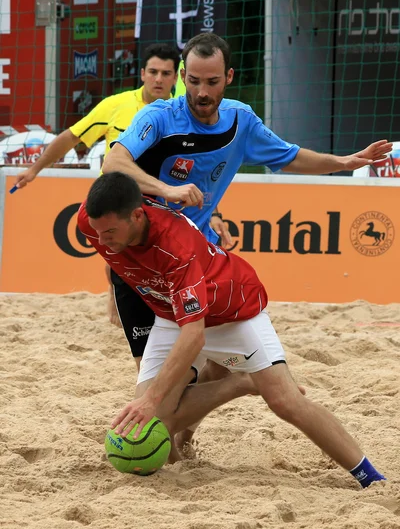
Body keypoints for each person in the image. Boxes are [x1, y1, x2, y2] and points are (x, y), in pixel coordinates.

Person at [78, 172, 386, 489]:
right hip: (172, 315)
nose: (102, 240)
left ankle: (369, 476)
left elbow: (194, 335)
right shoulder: (93, 221)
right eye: (98, 232)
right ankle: (240, 382)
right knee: (152, 423)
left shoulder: (176, 247)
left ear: (137, 215)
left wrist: (151, 399)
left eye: (111, 232)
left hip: (232, 311)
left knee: (285, 401)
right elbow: (117, 167)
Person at [101, 32, 392, 363]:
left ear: (228, 77)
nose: (201, 92)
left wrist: (345, 162)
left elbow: (290, 156)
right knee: (156, 376)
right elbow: (113, 162)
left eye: (212, 82)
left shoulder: (241, 121)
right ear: (183, 77)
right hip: (143, 259)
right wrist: (166, 189)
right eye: (194, 81)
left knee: (215, 367)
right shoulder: (159, 116)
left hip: (196, 256)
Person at [14, 43, 182, 325]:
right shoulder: (116, 105)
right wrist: (34, 170)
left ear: (175, 77)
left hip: (163, 196)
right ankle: (115, 299)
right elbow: (71, 136)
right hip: (120, 198)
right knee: (118, 254)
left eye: (166, 73)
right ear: (142, 73)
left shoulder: (181, 109)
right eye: (153, 71)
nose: (159, 79)